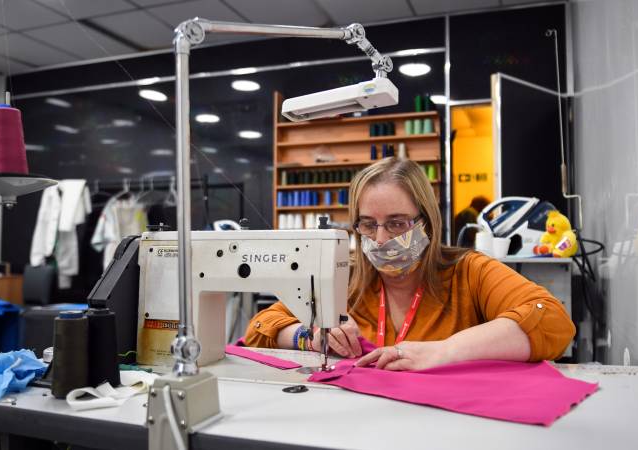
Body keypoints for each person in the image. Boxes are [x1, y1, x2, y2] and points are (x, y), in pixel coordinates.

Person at [244, 157, 574, 371]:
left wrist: (443, 351)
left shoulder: (468, 271)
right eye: (368, 224)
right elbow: (259, 329)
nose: (382, 238)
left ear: (426, 222)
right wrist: (311, 335)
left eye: (398, 223)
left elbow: (553, 322)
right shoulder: (346, 276)